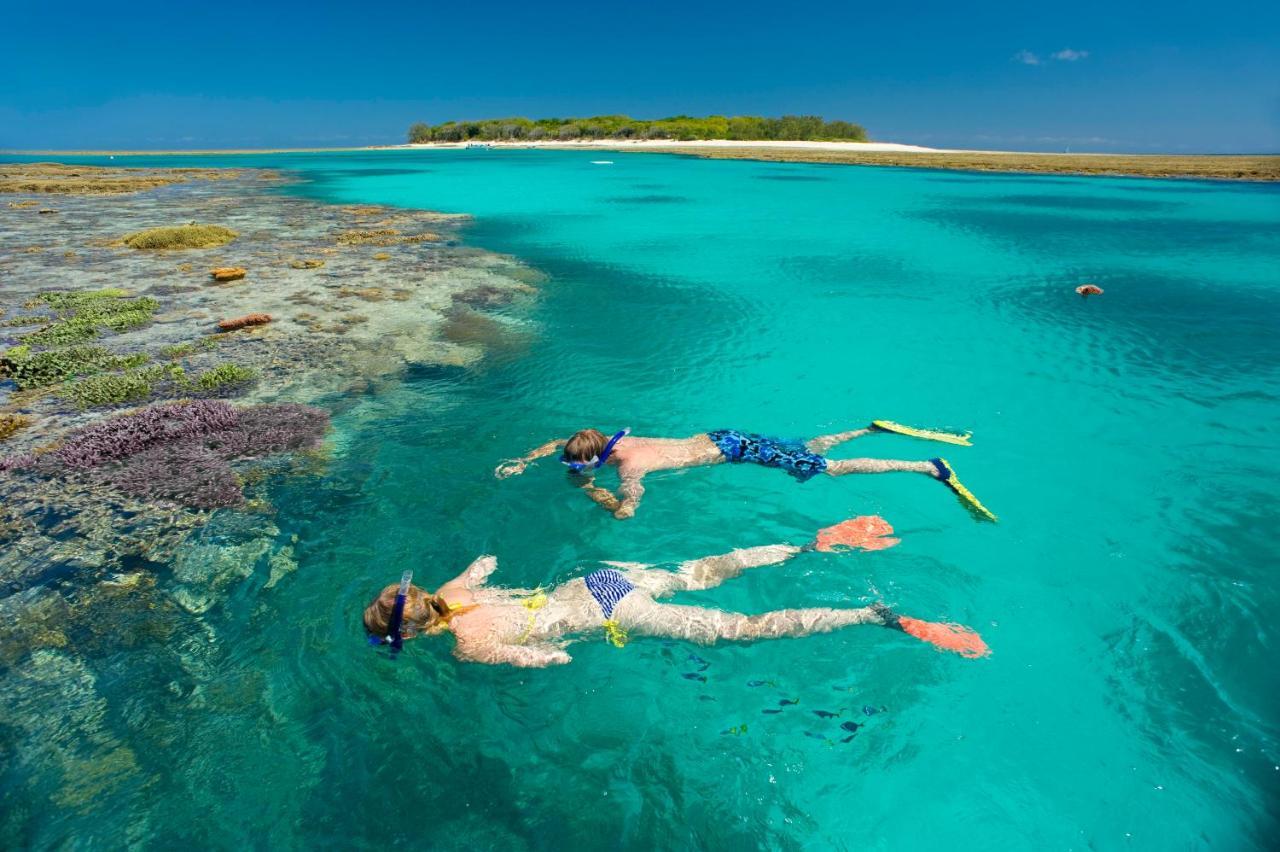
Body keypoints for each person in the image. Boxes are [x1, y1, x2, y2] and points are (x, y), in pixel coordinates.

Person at [363, 516, 989, 667]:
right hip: (598, 581)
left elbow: (557, 657)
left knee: (740, 629)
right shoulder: (453, 591)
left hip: (610, 611)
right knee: (707, 567)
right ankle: (813, 544)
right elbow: (484, 561)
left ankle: (874, 615)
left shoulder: (468, 645)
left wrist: (544, 651)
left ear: (409, 632)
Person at [494, 421, 996, 521]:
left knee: (829, 470)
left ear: (595, 456)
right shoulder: (612, 436)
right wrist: (524, 460)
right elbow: (555, 442)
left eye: (574, 462)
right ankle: (867, 428)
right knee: (800, 450)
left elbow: (630, 509)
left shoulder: (632, 461)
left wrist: (597, 498)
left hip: (736, 453)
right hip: (725, 434)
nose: (571, 465)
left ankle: (927, 467)